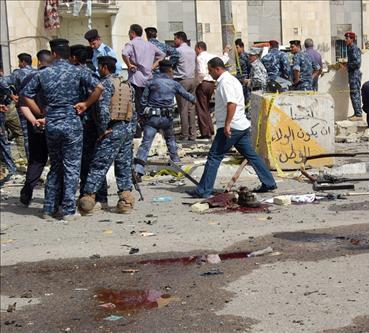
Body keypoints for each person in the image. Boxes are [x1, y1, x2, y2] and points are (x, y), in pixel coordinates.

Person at [21, 38, 103, 221]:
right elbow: (99, 87)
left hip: (52, 123)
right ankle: (67, 210)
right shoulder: (78, 71)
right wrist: (85, 104)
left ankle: (48, 209)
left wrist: (41, 111)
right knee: (72, 167)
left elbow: (25, 95)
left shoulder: (43, 73)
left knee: (56, 166)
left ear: (54, 54)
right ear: (68, 55)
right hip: (72, 123)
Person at [186, 57, 277, 198]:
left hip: (231, 126)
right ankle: (269, 182)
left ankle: (204, 190)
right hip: (241, 126)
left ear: (217, 69)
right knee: (252, 156)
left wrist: (227, 124)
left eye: (210, 71)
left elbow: (231, 104)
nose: (210, 74)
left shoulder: (225, 82)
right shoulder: (231, 80)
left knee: (214, 157)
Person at [79, 56, 136, 215]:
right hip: (126, 128)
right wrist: (130, 131)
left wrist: (103, 129)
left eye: (99, 67)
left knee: (99, 164)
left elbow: (103, 110)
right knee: (123, 165)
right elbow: (133, 110)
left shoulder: (105, 84)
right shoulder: (127, 85)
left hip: (112, 129)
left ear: (104, 67)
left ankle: (88, 198)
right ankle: (125, 200)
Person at [134, 60, 196, 179]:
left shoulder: (151, 82)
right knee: (170, 140)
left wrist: (141, 115)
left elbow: (143, 101)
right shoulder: (174, 84)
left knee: (146, 144)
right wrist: (194, 100)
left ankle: (138, 170)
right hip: (167, 119)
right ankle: (177, 165)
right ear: (170, 69)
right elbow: (187, 95)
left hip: (152, 119)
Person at [69, 44, 108, 210]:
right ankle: (100, 195)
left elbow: (100, 91)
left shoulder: (80, 73)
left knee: (86, 160)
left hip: (84, 122)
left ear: (74, 58)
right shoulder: (92, 72)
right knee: (96, 159)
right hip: (92, 122)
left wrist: (85, 104)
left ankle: (89, 194)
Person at [18, 49, 52, 206]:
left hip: (36, 126)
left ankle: (27, 191)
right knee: (57, 161)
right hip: (55, 123)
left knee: (36, 160)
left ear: (38, 61)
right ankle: (53, 198)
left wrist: (34, 121)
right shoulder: (56, 77)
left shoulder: (29, 78)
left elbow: (23, 104)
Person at [122, 24, 165, 137]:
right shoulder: (149, 45)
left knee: (135, 105)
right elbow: (162, 55)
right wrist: (152, 66)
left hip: (136, 78)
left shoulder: (131, 43)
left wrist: (129, 64)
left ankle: (137, 131)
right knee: (146, 105)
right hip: (148, 79)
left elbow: (124, 53)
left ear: (132, 33)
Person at [194, 41, 229, 139]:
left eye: (195, 49)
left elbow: (201, 73)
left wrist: (197, 83)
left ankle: (205, 132)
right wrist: (226, 52)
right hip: (211, 84)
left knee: (201, 108)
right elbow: (223, 60)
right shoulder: (212, 56)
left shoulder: (200, 57)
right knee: (206, 108)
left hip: (204, 82)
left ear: (199, 48)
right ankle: (210, 129)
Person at [173, 31, 197, 141]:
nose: (174, 41)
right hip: (192, 80)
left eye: (175, 39)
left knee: (182, 108)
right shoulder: (192, 50)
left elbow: (173, 65)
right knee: (191, 108)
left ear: (179, 39)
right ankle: (193, 134)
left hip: (182, 80)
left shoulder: (178, 51)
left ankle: (185, 134)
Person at [344, 32, 363, 121]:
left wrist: (347, 65)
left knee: (355, 93)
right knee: (353, 93)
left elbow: (357, 63)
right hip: (352, 74)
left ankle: (358, 114)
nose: (345, 40)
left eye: (347, 38)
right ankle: (357, 113)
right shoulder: (350, 48)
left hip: (355, 74)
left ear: (352, 39)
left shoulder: (354, 48)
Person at [235, 39, 251, 106]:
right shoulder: (235, 57)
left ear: (242, 47)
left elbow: (250, 68)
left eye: (237, 47)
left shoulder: (246, 56)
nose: (236, 49)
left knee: (246, 100)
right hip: (238, 81)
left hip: (245, 81)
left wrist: (249, 80)